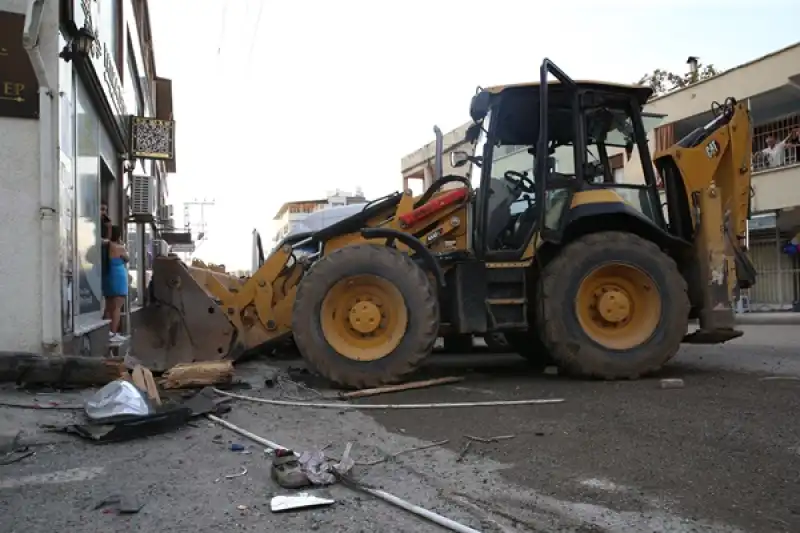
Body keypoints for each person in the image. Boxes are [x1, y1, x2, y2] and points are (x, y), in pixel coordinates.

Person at [102, 225, 129, 344]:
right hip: (119, 277)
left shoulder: (105, 246)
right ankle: (113, 332)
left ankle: (105, 332)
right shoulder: (120, 247)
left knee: (108, 306)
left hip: (108, 276)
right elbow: (127, 258)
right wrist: (121, 243)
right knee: (117, 307)